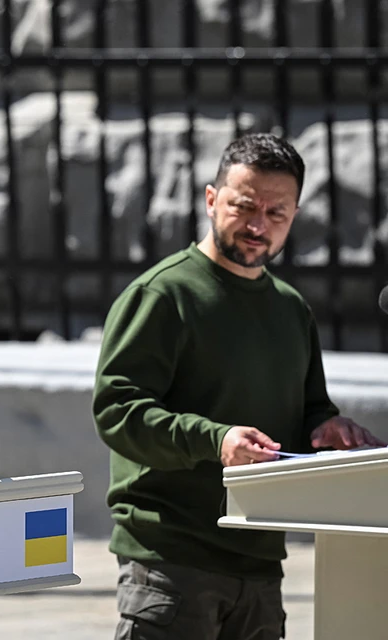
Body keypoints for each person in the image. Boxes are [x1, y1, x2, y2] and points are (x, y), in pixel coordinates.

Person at [92, 133, 386, 640]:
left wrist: (327, 428)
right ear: (211, 200)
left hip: (261, 559)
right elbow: (119, 412)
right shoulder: (163, 295)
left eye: (277, 213)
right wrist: (217, 439)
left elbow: (310, 410)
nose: (258, 226)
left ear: (294, 216)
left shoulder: (290, 309)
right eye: (244, 206)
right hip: (172, 559)